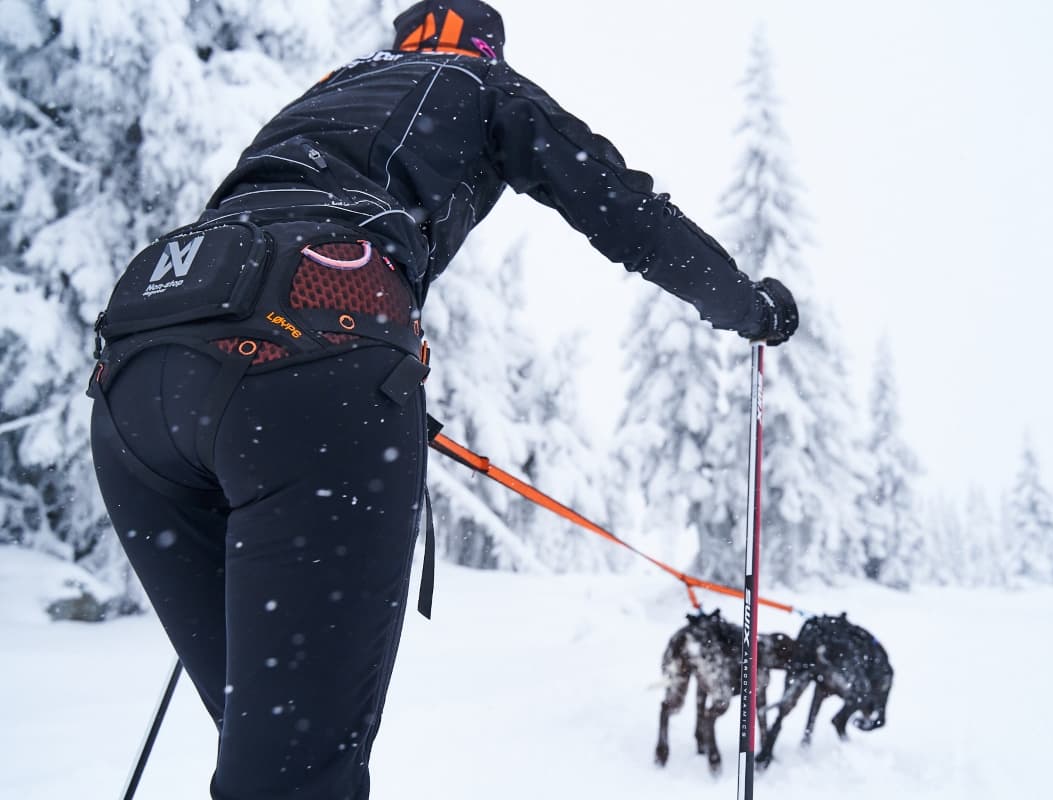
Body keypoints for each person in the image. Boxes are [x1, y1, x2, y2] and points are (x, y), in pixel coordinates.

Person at [88, 1, 799, 798]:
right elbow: (622, 207)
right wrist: (749, 308)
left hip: (136, 375)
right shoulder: (482, 84)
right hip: (310, 362)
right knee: (293, 768)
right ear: (486, 46)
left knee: (271, 748)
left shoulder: (321, 95)